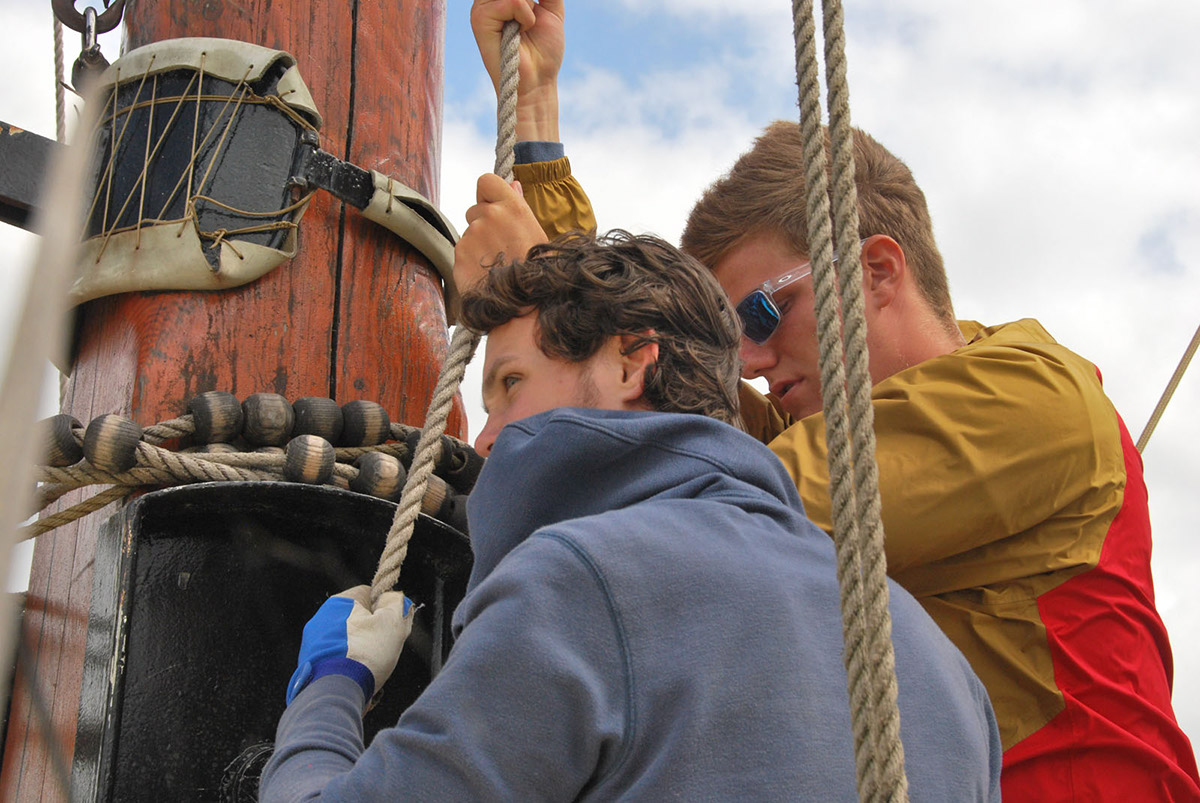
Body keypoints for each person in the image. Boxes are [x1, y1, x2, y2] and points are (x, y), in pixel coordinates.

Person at [463, 2, 1200, 799]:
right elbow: (646, 378)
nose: (744, 360)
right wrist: (535, 117)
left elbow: (684, 491)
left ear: (878, 270)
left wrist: (537, 279)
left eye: (759, 314)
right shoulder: (804, 429)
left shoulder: (1033, 399)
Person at [260, 231, 1002, 801]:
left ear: (629, 363)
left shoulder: (577, 584)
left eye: (510, 384)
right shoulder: (941, 666)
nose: (483, 440)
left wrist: (328, 689)